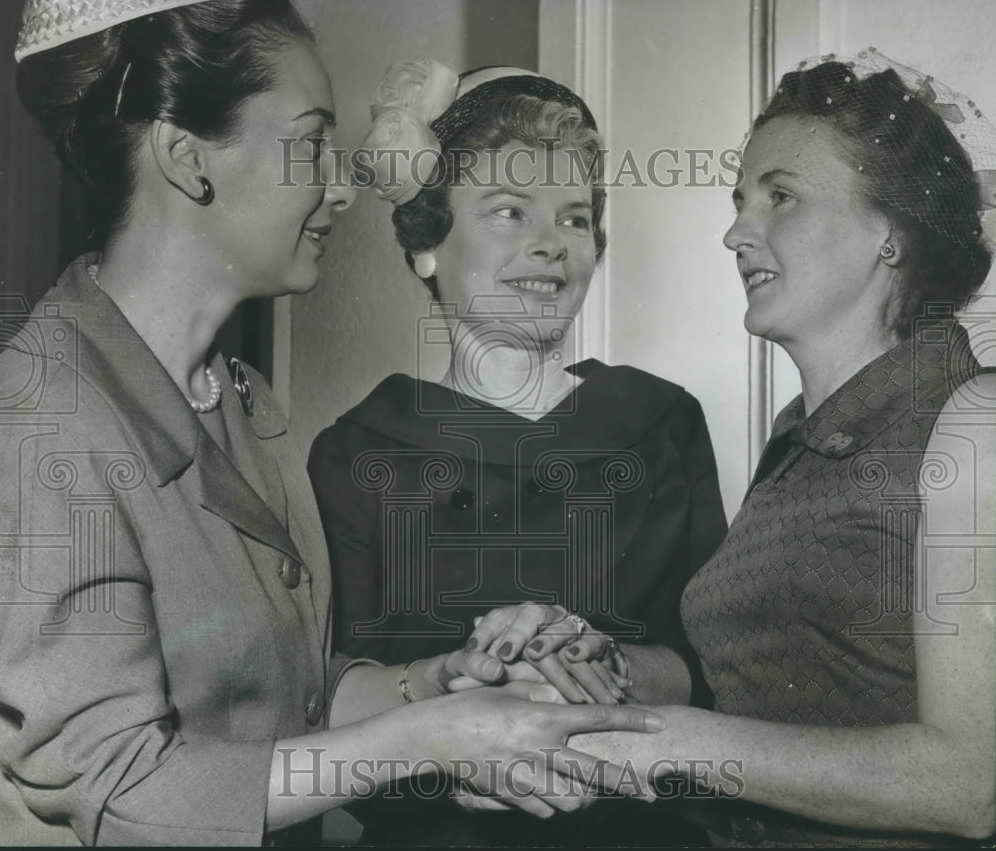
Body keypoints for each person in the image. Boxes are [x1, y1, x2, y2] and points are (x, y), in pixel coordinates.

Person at [0, 0, 666, 845]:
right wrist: (421, 739)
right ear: (187, 157)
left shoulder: (237, 400)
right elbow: (121, 788)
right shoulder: (38, 421)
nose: (344, 188)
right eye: (311, 143)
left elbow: (292, 694)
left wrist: (432, 685)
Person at [564, 50, 996, 846]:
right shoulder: (797, 433)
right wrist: (608, 670)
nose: (736, 231)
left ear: (890, 232)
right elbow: (754, 674)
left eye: (781, 197)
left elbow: (974, 783)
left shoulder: (974, 420)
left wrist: (675, 747)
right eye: (740, 200)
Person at [307, 60, 728, 845]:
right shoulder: (357, 452)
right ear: (426, 245)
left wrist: (610, 666)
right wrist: (462, 734)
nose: (551, 246)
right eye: (510, 211)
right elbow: (336, 707)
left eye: (574, 218)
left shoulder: (660, 420)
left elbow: (713, 670)